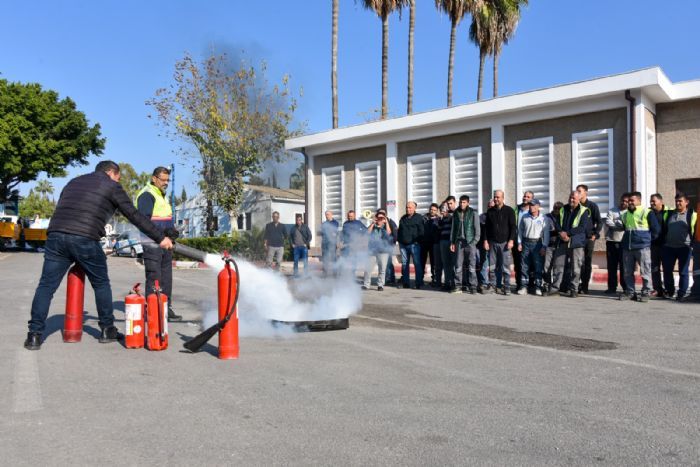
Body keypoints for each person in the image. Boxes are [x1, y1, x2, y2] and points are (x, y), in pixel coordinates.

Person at [25, 161, 173, 350]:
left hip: (56, 236)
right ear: (112, 173)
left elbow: (68, 208)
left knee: (46, 285)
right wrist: (160, 238)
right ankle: (107, 329)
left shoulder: (73, 182)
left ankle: (34, 336)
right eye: (119, 177)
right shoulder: (112, 186)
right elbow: (134, 215)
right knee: (101, 283)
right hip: (85, 239)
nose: (119, 180)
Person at [136, 166, 181, 322]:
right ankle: (153, 310)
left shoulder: (162, 196)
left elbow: (163, 218)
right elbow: (144, 221)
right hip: (152, 244)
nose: (166, 183)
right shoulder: (147, 195)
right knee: (154, 277)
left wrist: (171, 230)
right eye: (163, 180)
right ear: (154, 178)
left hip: (165, 243)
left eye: (168, 180)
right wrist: (162, 233)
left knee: (166, 277)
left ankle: (165, 308)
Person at [549, 191, 591, 298]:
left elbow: (582, 228)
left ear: (579, 199)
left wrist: (567, 233)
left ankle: (574, 289)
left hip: (576, 242)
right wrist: (561, 233)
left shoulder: (584, 211)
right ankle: (555, 289)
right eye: (570, 198)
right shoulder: (563, 209)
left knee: (576, 267)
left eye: (574, 198)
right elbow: (557, 223)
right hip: (562, 241)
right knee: (558, 266)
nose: (571, 200)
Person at [619, 191, 661, 302]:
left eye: (632, 200)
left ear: (639, 201)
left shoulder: (647, 212)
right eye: (629, 201)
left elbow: (656, 230)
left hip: (643, 247)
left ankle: (646, 292)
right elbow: (626, 228)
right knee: (627, 272)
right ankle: (630, 292)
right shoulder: (624, 214)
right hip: (628, 247)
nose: (629, 203)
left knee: (645, 271)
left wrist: (646, 241)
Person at [661, 193, 696, 301]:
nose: (678, 203)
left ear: (686, 202)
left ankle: (681, 293)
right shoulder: (670, 213)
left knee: (683, 272)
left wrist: (693, 245)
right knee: (667, 271)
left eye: (680, 201)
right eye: (676, 201)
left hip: (684, 247)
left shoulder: (692, 215)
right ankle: (670, 291)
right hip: (669, 247)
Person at [483, 190, 516, 295]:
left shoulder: (509, 211)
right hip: (492, 243)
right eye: (495, 197)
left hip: (505, 243)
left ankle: (507, 287)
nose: (496, 199)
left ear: (503, 198)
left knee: (505, 266)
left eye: (498, 197)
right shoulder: (490, 212)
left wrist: (511, 240)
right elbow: (486, 228)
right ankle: (492, 286)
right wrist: (485, 241)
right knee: (492, 266)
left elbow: (513, 227)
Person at [516, 198, 550, 296]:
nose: (531, 207)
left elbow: (546, 234)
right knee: (524, 265)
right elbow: (520, 231)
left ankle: (538, 287)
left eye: (534, 205)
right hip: (526, 242)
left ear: (538, 206)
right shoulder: (524, 217)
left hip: (537, 243)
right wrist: (519, 243)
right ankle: (524, 286)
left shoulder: (544, 218)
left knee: (538, 266)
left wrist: (544, 246)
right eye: (530, 205)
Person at [450, 195, 480, 294]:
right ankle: (458, 285)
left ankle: (473, 286)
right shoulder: (456, 213)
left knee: (472, 265)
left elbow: (477, 228)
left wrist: (474, 241)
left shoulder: (473, 213)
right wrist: (452, 242)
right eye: (460, 202)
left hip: (470, 242)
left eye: (464, 202)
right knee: (458, 265)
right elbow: (453, 229)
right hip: (459, 242)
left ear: (468, 203)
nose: (461, 204)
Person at [576, 184, 602, 294]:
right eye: (576, 191)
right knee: (577, 262)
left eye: (580, 191)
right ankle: (575, 284)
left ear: (586, 192)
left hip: (588, 238)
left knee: (587, 261)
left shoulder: (592, 206)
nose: (577, 193)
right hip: (577, 238)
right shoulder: (575, 206)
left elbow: (599, 222)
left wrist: (595, 235)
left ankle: (585, 285)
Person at [604, 193, 629, 294]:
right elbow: (608, 223)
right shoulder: (612, 210)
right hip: (611, 242)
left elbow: (627, 225)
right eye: (622, 200)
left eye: (626, 201)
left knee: (624, 267)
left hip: (623, 242)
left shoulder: (629, 213)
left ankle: (625, 288)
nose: (624, 203)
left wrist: (619, 224)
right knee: (611, 266)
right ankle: (611, 287)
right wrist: (620, 226)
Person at [398, 201, 425, 289]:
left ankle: (418, 283)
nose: (408, 209)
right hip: (403, 245)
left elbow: (422, 231)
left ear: (414, 208)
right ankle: (406, 283)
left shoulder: (419, 218)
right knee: (405, 264)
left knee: (417, 263)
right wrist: (400, 241)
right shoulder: (403, 218)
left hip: (414, 245)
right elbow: (400, 230)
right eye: (407, 207)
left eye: (410, 207)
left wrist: (418, 241)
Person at [363, 212, 392, 291]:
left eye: (382, 218)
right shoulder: (373, 226)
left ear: (384, 218)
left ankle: (380, 285)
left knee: (382, 269)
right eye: (378, 218)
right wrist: (372, 223)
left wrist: (386, 222)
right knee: (368, 268)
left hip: (383, 251)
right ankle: (366, 284)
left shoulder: (386, 226)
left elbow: (389, 233)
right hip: (372, 250)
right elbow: (367, 233)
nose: (380, 219)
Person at [649, 193, 671, 297]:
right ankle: (657, 289)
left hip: (667, 245)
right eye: (651, 201)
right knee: (654, 268)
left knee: (667, 268)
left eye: (654, 201)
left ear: (661, 202)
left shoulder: (669, 212)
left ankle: (669, 290)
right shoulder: (649, 212)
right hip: (653, 245)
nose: (652, 203)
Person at [513, 191, 534, 290]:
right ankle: (519, 284)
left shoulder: (533, 210)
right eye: (524, 196)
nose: (525, 198)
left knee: (529, 264)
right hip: (517, 240)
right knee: (518, 264)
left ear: (532, 199)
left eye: (528, 197)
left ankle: (530, 284)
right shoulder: (517, 209)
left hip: (529, 240)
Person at [542, 201, 564, 292]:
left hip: (560, 245)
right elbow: (545, 231)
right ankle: (546, 284)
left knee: (558, 267)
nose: (557, 210)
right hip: (549, 245)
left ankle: (556, 287)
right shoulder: (547, 217)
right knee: (546, 266)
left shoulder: (564, 217)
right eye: (555, 208)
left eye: (559, 208)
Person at [341, 210, 367, 276]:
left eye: (351, 216)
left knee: (353, 261)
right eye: (349, 216)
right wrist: (341, 241)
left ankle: (352, 276)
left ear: (354, 216)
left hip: (355, 245)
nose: (350, 217)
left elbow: (365, 231)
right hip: (346, 245)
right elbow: (343, 233)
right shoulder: (345, 223)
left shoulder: (358, 223)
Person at [421, 203, 442, 287]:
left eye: (434, 210)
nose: (432, 211)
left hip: (434, 243)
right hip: (424, 243)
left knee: (434, 262)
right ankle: (420, 279)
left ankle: (434, 279)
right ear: (429, 209)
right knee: (422, 261)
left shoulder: (439, 219)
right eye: (431, 209)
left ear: (437, 211)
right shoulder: (423, 218)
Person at [439, 196, 457, 291]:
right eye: (447, 204)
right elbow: (440, 227)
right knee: (445, 263)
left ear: (454, 203)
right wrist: (441, 217)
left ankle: (454, 284)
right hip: (443, 241)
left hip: (452, 241)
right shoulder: (444, 215)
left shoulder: (456, 213)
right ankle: (447, 283)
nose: (449, 206)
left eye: (450, 204)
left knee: (454, 263)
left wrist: (448, 216)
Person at [477, 199, 494, 293]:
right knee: (484, 263)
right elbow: (481, 230)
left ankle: (493, 284)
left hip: (495, 243)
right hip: (483, 244)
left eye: (492, 207)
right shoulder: (482, 217)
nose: (490, 208)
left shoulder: (497, 216)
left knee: (494, 265)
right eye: (489, 206)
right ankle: (484, 283)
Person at [378, 208, 398, 285]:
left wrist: (392, 244)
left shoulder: (390, 222)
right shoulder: (377, 222)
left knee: (388, 263)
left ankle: (390, 279)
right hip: (379, 247)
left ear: (385, 215)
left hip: (388, 246)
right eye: (380, 214)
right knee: (382, 264)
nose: (381, 216)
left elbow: (393, 234)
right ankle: (384, 278)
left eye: (383, 214)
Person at [319, 210, 340, 276]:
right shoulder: (324, 223)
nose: (326, 216)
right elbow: (322, 232)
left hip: (332, 243)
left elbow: (335, 232)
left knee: (333, 258)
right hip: (325, 243)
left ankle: (335, 273)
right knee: (325, 259)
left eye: (328, 214)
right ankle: (325, 273)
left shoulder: (335, 222)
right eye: (326, 215)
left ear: (331, 215)